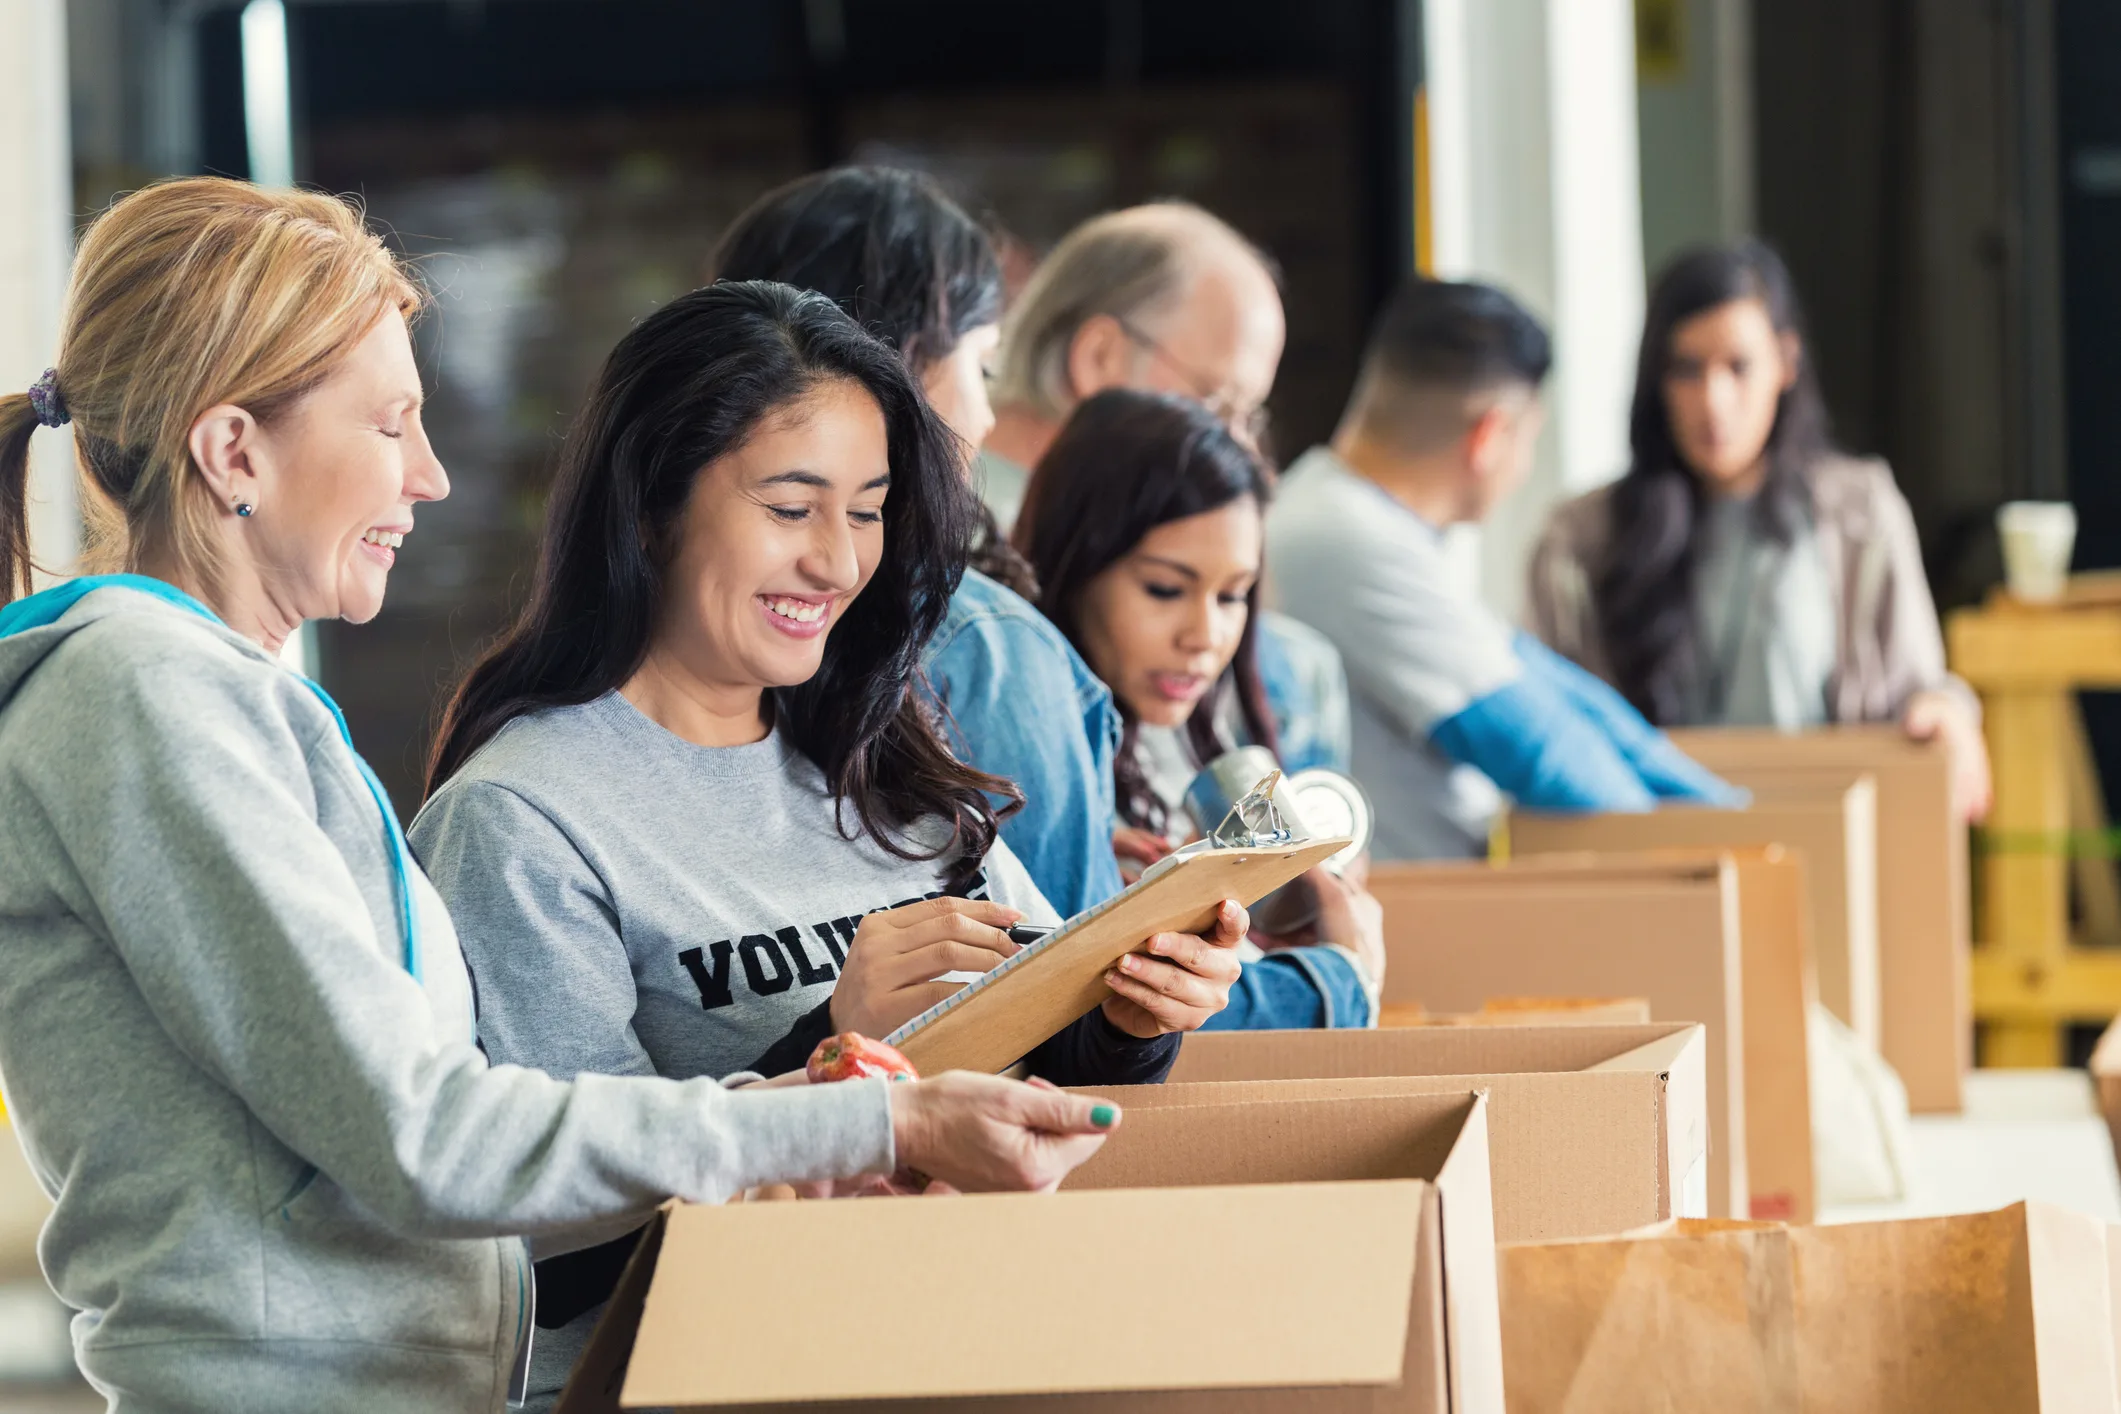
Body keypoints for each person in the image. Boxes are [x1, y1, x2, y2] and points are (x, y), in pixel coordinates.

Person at [0, 180, 1123, 1414]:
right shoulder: (144, 698)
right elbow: (428, 1137)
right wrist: (870, 1124)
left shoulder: (219, 697)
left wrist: (816, 1100)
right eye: (391, 424)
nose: (429, 476)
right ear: (232, 452)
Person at [411, 281, 1246, 1407]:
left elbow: (1042, 1075)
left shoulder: (882, 756)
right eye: (792, 507)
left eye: (868, 510)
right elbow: (558, 1251)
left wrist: (1131, 1012)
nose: (839, 561)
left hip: (960, 1356)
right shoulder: (523, 817)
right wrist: (834, 1048)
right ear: (653, 505)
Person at [705, 165, 1121, 918]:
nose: (987, 418)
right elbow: (1084, 988)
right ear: (903, 365)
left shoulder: (673, 636)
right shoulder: (980, 643)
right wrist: (1333, 970)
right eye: (982, 366)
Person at [1267, 277, 1740, 860]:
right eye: (1530, 438)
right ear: (1490, 436)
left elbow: (1544, 682)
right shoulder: (1342, 540)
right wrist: (1708, 847)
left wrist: (1720, 806)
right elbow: (1546, 753)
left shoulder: (1354, 518)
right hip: (1419, 923)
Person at [1527, 241, 1992, 820]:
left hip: (1823, 834)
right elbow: (1544, 720)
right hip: (1656, 853)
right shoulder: (1579, 540)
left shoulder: (1858, 511)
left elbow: (1917, 688)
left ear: (1786, 362)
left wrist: (1950, 712)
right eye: (1686, 370)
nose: (1713, 401)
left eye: (1738, 366)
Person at [1017, 389, 1385, 1027]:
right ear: (1074, 562)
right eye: (1165, 589)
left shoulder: (1193, 741)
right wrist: (1337, 978)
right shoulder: (1018, 749)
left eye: (1233, 596)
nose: (1205, 636)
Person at [984, 201, 1350, 774]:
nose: (1239, 450)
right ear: (1100, 356)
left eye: (1249, 420)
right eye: (1218, 403)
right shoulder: (969, 546)